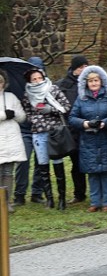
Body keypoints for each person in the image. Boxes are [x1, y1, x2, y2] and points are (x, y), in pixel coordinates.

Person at [21, 66, 71, 209]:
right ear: (30, 81)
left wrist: (51, 109)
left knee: (58, 164)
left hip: (54, 132)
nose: (37, 81)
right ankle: (49, 198)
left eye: (39, 78)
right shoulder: (27, 94)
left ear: (43, 77)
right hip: (38, 132)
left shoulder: (53, 89)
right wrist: (34, 119)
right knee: (43, 165)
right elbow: (27, 112)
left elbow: (66, 106)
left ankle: (62, 199)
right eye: (34, 79)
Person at [69, 66, 107, 212]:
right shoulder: (81, 98)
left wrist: (105, 123)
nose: (94, 83)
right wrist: (85, 123)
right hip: (88, 139)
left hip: (105, 138)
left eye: (96, 80)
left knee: (106, 171)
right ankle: (95, 202)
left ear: (101, 81)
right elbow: (72, 118)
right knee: (93, 172)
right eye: (90, 81)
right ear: (86, 83)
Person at [56, 54, 88, 205]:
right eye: (81, 67)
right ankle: (79, 193)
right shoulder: (64, 85)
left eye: (85, 67)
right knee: (76, 163)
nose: (84, 70)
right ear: (75, 69)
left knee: (88, 161)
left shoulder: (90, 81)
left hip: (87, 126)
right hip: (71, 129)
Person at [14, 57, 44, 206]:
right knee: (23, 162)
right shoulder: (20, 87)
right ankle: (19, 194)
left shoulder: (47, 89)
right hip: (25, 130)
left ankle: (37, 193)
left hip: (41, 131)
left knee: (41, 162)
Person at [0, 69, 26, 213]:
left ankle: (6, 201)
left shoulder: (11, 97)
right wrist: (4, 115)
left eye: (1, 82)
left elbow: (22, 117)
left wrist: (14, 114)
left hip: (10, 140)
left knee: (8, 173)